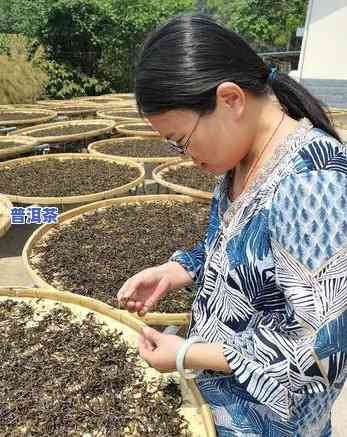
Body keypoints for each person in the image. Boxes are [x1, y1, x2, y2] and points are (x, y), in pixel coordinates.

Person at [117, 14, 347, 436]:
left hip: (272, 422)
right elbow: (227, 250)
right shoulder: (242, 159)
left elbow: (325, 353)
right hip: (217, 404)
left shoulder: (312, 184)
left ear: (230, 99)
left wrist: (189, 353)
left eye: (182, 140)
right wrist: (175, 271)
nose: (187, 157)